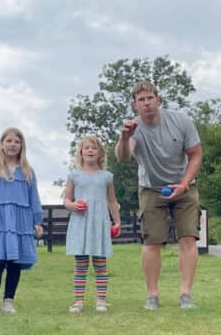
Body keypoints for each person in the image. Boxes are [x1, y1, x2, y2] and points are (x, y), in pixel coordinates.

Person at [114, 80, 203, 310]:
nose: (146, 103)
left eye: (150, 98)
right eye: (141, 100)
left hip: (184, 185)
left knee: (188, 238)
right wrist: (124, 137)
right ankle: (152, 296)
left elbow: (195, 155)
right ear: (135, 105)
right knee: (152, 241)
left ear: (158, 100)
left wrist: (184, 185)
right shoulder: (134, 129)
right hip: (151, 188)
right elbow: (123, 157)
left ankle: (186, 294)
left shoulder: (180, 120)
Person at [0, 128, 44, 317]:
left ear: (22, 145)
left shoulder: (28, 171)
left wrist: (38, 221)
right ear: (2, 144)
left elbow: (34, 198)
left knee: (15, 261)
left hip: (21, 220)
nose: (13, 144)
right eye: (9, 141)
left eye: (17, 141)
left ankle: (8, 301)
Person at [63, 135, 122, 314]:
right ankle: (79, 301)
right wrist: (73, 206)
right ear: (80, 152)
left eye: (94, 148)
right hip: (80, 223)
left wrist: (117, 221)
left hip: (99, 223)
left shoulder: (107, 177)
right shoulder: (74, 176)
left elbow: (112, 201)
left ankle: (101, 300)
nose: (90, 150)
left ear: (100, 153)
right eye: (86, 147)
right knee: (80, 264)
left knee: (100, 263)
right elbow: (66, 200)